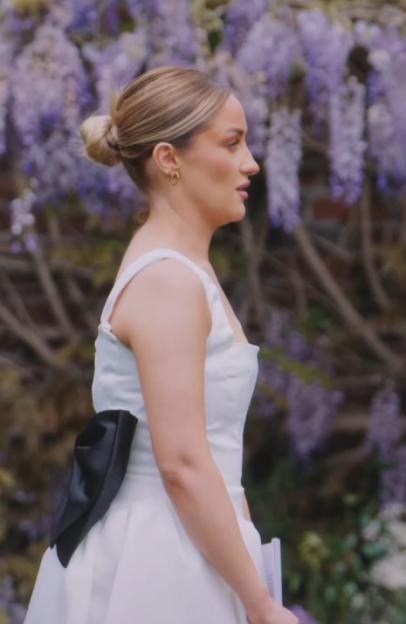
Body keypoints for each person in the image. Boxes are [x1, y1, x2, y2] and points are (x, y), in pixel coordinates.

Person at [24, 66, 298, 624]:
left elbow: (218, 461)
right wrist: (261, 604)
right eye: (232, 143)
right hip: (159, 561)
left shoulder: (186, 271)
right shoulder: (167, 281)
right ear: (170, 159)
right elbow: (182, 464)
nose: (251, 163)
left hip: (201, 545)